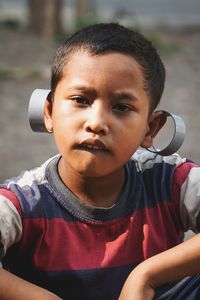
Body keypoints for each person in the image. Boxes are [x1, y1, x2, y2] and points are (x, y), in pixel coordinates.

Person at [0, 22, 200, 300]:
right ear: (48, 112)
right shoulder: (22, 202)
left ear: (150, 129)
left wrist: (147, 275)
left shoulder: (169, 180)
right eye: (81, 100)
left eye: (121, 107)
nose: (96, 123)